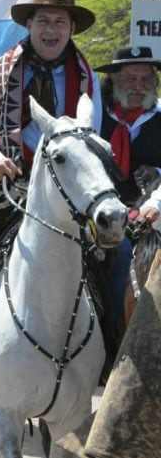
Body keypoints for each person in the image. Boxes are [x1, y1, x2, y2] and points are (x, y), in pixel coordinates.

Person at [0, 0, 101, 223]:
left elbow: (93, 135)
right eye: (43, 20)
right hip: (6, 179)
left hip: (69, 186)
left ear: (72, 28)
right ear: (29, 25)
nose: (51, 29)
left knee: (120, 250)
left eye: (60, 22)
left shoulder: (88, 79)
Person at [94, 46, 161, 327]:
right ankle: (110, 328)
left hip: (152, 208)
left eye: (145, 79)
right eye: (129, 79)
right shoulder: (96, 115)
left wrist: (157, 172)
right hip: (98, 206)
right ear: (114, 82)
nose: (137, 87)